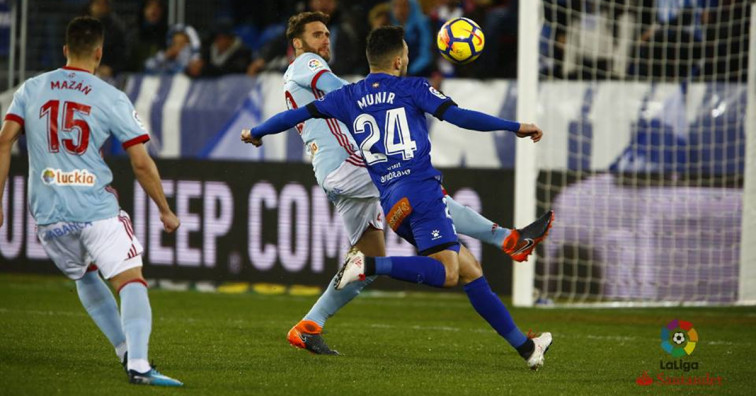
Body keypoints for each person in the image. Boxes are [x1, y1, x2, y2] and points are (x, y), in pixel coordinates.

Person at [241, 25, 554, 370]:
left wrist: (256, 132)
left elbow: (294, 115)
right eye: (317, 34)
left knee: (469, 269)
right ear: (400, 60)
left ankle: (526, 348)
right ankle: (506, 240)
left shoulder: (349, 97)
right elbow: (461, 117)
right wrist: (514, 127)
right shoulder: (403, 85)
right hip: (394, 184)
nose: (325, 40)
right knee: (444, 263)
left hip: (384, 200)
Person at [0, 17, 182, 386]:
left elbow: (5, 141)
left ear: (65, 49)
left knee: (86, 275)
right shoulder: (110, 96)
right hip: (95, 208)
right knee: (131, 279)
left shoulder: (31, 88)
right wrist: (164, 209)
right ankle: (140, 365)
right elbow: (141, 162)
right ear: (99, 52)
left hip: (49, 215)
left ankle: (124, 351)